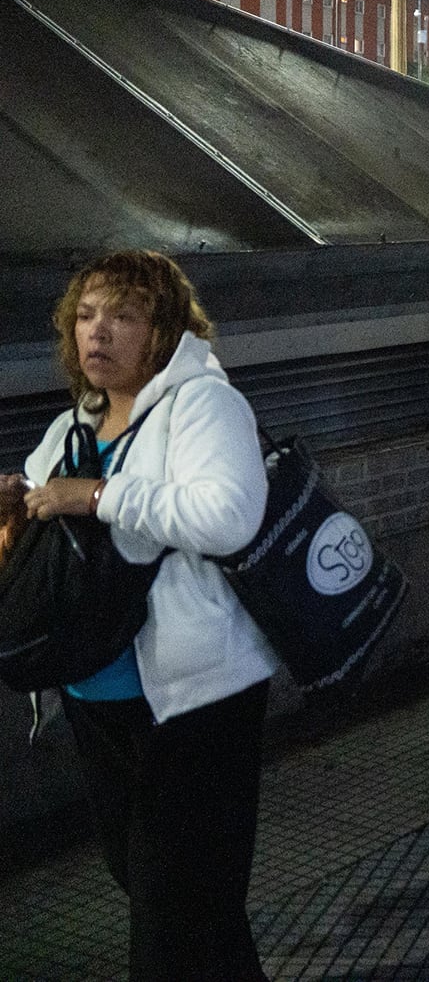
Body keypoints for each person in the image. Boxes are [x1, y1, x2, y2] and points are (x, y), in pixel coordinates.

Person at [9, 251, 279, 980]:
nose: (97, 332)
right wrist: (22, 498)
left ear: (162, 330)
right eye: (85, 316)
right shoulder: (77, 421)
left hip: (194, 701)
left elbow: (228, 516)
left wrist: (96, 495)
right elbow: (49, 505)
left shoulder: (204, 404)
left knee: (170, 917)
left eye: (122, 315)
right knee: (178, 899)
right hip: (98, 697)